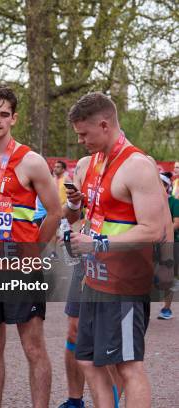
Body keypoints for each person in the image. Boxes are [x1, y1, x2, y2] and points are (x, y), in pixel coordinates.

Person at [64, 92, 172, 408]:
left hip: (126, 283)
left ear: (105, 124)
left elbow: (153, 228)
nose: (81, 141)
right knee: (87, 359)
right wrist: (75, 219)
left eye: (85, 134)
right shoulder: (92, 162)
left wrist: (97, 243)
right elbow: (86, 216)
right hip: (95, 278)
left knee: (127, 365)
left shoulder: (137, 165)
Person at [0, 85, 60, 408]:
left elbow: (55, 211)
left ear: (13, 119)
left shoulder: (31, 161)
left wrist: (34, 251)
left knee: (33, 347)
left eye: (4, 114)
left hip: (21, 267)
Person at [157, 171, 179, 320]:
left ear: (167, 186)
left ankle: (167, 308)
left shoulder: (174, 202)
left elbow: (176, 223)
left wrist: (163, 234)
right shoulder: (149, 202)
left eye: (162, 184)